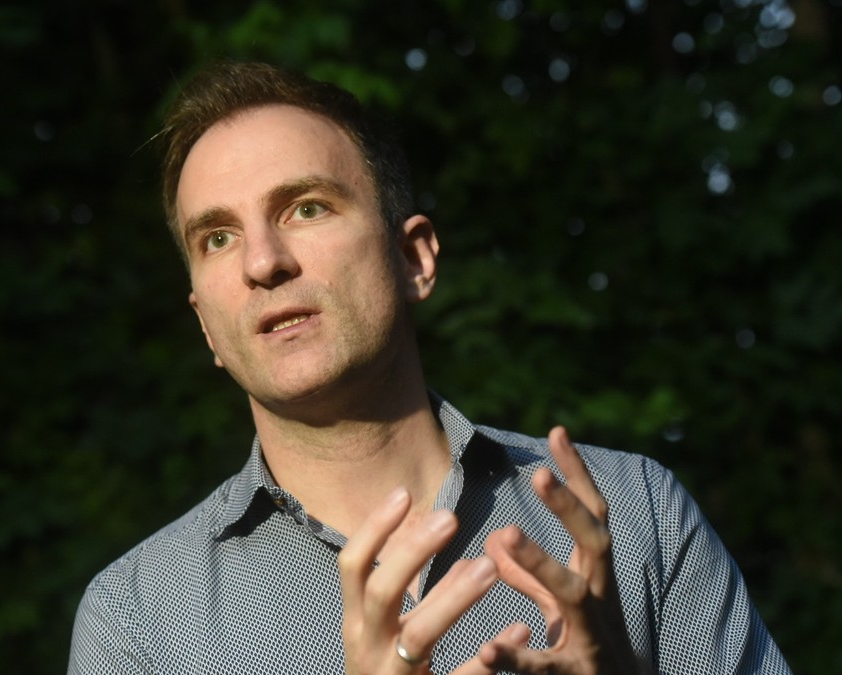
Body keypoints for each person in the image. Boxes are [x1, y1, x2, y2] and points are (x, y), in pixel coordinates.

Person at [68, 61, 791, 674]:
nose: (263, 261)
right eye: (218, 237)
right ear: (205, 323)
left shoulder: (638, 514)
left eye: (306, 208)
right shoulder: (137, 621)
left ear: (414, 258)